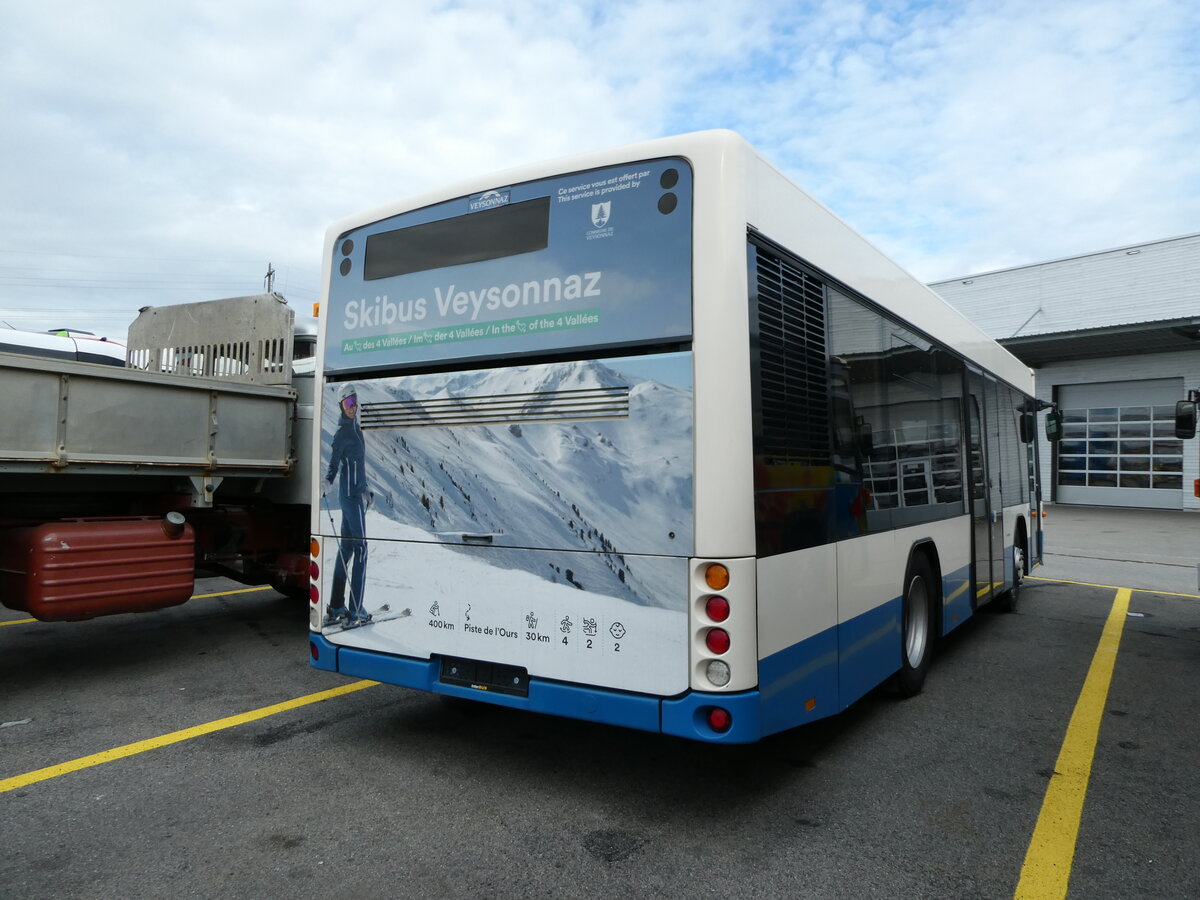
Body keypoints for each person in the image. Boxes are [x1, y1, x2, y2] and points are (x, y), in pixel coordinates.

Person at [324, 385, 371, 626]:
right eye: (347, 404)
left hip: (354, 495)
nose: (352, 408)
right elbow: (334, 463)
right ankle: (355, 610)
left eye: (354, 402)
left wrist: (367, 488)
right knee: (362, 549)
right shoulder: (343, 432)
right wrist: (327, 481)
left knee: (347, 550)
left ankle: (335, 606)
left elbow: (358, 465)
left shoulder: (357, 430)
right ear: (341, 406)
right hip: (350, 499)